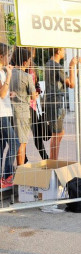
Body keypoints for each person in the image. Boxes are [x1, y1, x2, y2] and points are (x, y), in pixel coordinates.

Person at [44, 48, 80, 160]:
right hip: (56, 102)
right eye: (63, 50)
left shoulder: (48, 64)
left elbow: (67, 79)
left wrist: (73, 70)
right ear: (58, 51)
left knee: (59, 133)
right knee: (57, 134)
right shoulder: (56, 66)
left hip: (50, 101)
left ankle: (53, 160)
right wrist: (71, 66)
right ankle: (53, 162)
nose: (64, 52)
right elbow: (71, 84)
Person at [10, 47, 37, 166]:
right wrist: (35, 94)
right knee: (22, 142)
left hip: (10, 110)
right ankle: (21, 170)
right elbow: (33, 97)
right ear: (25, 62)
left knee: (15, 141)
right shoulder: (27, 77)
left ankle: (17, 168)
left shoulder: (8, 73)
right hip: (23, 112)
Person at [0, 43, 16, 188]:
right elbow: (1, 92)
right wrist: (9, 76)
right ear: (1, 56)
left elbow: (3, 94)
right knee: (14, 141)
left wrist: (9, 95)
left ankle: (2, 178)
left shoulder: (2, 71)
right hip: (1, 114)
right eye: (7, 55)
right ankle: (7, 175)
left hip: (4, 111)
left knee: (2, 144)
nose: (9, 58)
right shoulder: (2, 72)